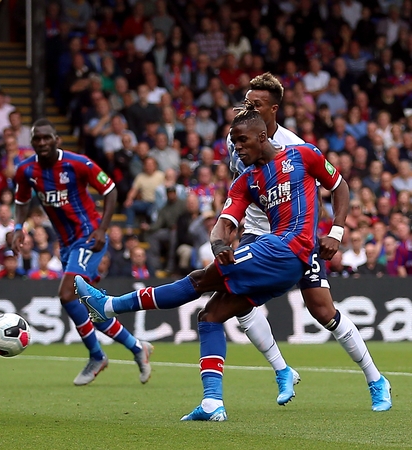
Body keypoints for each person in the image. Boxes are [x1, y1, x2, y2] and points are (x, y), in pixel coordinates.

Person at [78, 105, 391, 421]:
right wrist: (218, 243)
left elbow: (339, 187)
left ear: (263, 135)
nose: (237, 148)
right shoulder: (247, 181)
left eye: (242, 141)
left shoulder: (303, 155)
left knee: (203, 281)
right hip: (275, 255)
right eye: (233, 142)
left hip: (289, 249)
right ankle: (213, 402)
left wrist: (336, 232)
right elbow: (225, 222)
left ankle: (108, 306)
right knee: (210, 316)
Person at [224, 73, 388, 410]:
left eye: (255, 104)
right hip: (257, 233)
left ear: (273, 109)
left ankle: (376, 379)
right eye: (247, 101)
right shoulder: (235, 139)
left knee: (323, 311)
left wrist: (335, 231)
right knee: (237, 302)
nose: (247, 107)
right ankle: (282, 370)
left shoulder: (296, 147)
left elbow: (336, 185)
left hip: (296, 235)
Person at [13, 119, 153, 386]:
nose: (41, 143)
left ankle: (97, 356)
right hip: (66, 245)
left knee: (67, 294)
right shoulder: (25, 170)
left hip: (88, 236)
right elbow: (20, 202)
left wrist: (102, 229)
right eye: (36, 139)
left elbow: (110, 190)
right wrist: (19, 227)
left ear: (57, 140)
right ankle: (137, 348)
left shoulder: (78, 163)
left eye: (46, 138)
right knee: (89, 309)